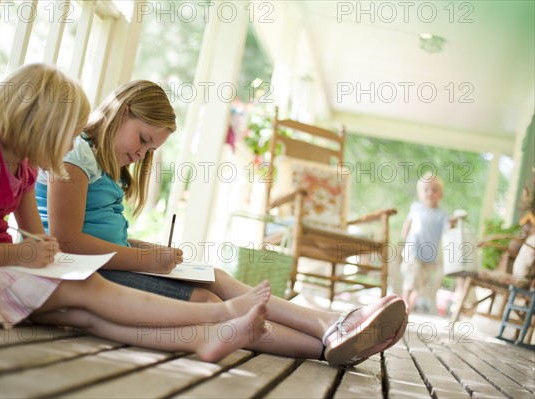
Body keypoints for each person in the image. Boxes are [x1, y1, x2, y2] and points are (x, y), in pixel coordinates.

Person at [35, 79, 408, 367]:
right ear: (121, 109)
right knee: (205, 299)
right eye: (143, 139)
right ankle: (328, 340)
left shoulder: (106, 165)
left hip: (107, 265)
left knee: (212, 275)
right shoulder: (74, 154)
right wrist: (146, 261)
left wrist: (150, 251)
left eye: (150, 149)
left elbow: (104, 236)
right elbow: (67, 242)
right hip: (86, 275)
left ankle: (331, 326)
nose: (141, 153)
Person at [0, 63, 271, 364]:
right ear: (39, 125)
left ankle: (203, 339)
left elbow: (37, 236)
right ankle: (221, 314)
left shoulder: (23, 168)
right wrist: (21, 253)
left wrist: (44, 248)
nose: (71, 146)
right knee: (87, 290)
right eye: (68, 134)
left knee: (83, 314)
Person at [400, 172, 450, 313]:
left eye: (434, 190)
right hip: (413, 251)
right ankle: (404, 305)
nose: (430, 193)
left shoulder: (442, 215)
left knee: (420, 284)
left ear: (440, 194)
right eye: (426, 190)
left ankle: (408, 305)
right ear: (420, 194)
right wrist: (404, 237)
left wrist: (452, 224)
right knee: (412, 278)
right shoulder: (416, 208)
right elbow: (407, 223)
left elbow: (447, 231)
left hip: (429, 257)